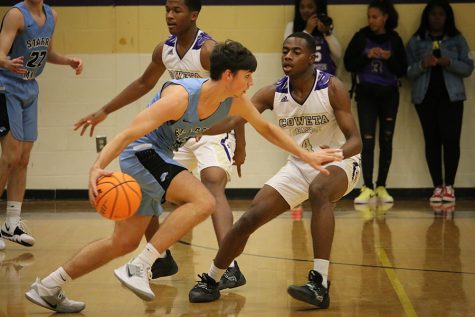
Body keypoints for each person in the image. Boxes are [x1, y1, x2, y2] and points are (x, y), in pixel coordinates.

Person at [25, 40, 343, 313]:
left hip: (157, 157)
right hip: (142, 153)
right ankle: (140, 266)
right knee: (204, 200)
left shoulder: (234, 99)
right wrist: (97, 166)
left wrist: (306, 155)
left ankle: (49, 286)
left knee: (121, 242)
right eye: (247, 75)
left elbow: (267, 128)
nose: (251, 81)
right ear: (229, 75)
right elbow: (129, 132)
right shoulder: (180, 95)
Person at [73, 0, 247, 286]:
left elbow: (236, 97)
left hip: (211, 128)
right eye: (167, 9)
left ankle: (230, 266)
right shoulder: (164, 49)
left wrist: (240, 144)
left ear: (194, 14)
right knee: (148, 183)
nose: (169, 15)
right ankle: (161, 256)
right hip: (178, 130)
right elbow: (143, 83)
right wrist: (104, 110)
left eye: (177, 10)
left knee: (212, 184)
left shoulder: (208, 51)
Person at [188, 32, 362, 309]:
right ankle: (212, 278)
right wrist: (195, 127)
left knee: (319, 191)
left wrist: (336, 154)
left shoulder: (332, 87)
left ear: (311, 57)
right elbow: (234, 118)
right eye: (285, 51)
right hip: (299, 165)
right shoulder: (273, 92)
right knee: (247, 221)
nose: (288, 56)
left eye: (296, 52)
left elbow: (356, 140)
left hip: (340, 163)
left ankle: (319, 283)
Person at [0, 0, 83, 251]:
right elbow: (0, 53)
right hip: (7, 87)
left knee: (24, 158)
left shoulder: (52, 16)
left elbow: (47, 54)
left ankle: (12, 223)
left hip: (30, 89)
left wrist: (67, 60)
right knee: (10, 157)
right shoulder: (16, 15)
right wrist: (6, 63)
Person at [406, 0, 473, 204]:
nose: (436, 17)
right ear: (427, 16)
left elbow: (468, 68)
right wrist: (422, 64)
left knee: (451, 141)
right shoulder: (416, 41)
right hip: (425, 99)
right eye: (433, 13)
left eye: (440, 14)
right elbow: (408, 72)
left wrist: (449, 62)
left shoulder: (457, 39)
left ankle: (449, 187)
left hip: (452, 98)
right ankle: (437, 187)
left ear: (447, 17)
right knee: (432, 141)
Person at [344, 0, 406, 205]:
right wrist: (366, 56)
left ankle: (381, 186)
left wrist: (389, 58)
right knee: (367, 142)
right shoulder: (361, 37)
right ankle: (367, 186)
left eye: (375, 17)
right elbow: (349, 63)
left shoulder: (394, 39)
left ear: (385, 17)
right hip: (366, 95)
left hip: (389, 96)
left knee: (386, 140)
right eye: (369, 17)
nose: (371, 21)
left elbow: (402, 70)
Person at [283, 0, 341, 75]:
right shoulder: (291, 26)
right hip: (301, 78)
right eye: (302, 7)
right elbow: (289, 53)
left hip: (325, 77)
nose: (305, 10)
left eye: (310, 7)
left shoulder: (326, 26)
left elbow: (338, 54)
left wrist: (327, 33)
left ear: (317, 8)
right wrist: (307, 31)